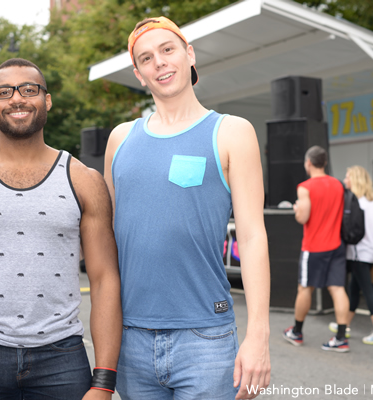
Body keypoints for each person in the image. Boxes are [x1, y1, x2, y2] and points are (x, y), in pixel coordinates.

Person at [0, 58, 122, 400]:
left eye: (29, 89)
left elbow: (104, 279)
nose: (17, 99)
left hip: (62, 357)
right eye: (5, 92)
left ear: (46, 100)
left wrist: (104, 382)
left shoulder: (85, 181)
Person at [104, 17, 271, 399]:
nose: (159, 62)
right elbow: (107, 242)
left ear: (189, 54)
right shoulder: (120, 139)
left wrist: (258, 336)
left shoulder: (232, 132)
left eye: (168, 50)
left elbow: (251, 236)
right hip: (130, 338)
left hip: (206, 338)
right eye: (146, 58)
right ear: (139, 74)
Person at [283, 146, 351, 352]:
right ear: (325, 162)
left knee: (305, 288)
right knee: (338, 289)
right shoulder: (338, 185)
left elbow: (303, 217)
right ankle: (341, 337)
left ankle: (297, 331)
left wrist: (296, 209)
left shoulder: (305, 187)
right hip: (336, 245)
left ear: (309, 163)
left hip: (314, 247)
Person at [327, 166, 373, 345]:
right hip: (369, 251)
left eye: (348, 177)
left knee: (367, 292)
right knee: (354, 290)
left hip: (356, 252)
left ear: (355, 180)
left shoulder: (353, 201)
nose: (345, 180)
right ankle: (344, 326)